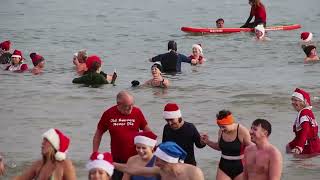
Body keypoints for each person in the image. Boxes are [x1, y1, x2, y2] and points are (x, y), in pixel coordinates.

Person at [93, 91, 152, 180]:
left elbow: (148, 133)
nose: (130, 108)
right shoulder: (108, 114)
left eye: (132, 104)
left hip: (136, 160)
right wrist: (95, 153)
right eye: (127, 106)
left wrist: (153, 152)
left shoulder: (137, 112)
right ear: (118, 104)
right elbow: (98, 134)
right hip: (117, 161)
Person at [200, 110, 252, 180]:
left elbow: (253, 149)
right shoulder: (221, 131)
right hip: (223, 167)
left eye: (223, 127)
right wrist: (208, 142)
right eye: (219, 126)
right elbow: (219, 147)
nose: (221, 129)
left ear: (230, 123)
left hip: (241, 168)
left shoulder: (242, 131)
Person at [114, 141, 205, 180]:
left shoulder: (194, 172)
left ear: (168, 161)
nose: (155, 164)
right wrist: (110, 162)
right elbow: (133, 170)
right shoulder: (161, 170)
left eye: (157, 160)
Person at [286, 88, 320, 155]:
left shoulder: (304, 113)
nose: (293, 102)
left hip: (309, 148)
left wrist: (299, 147)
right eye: (292, 100)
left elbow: (305, 131)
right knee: (288, 148)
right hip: (315, 144)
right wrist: (291, 144)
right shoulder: (308, 112)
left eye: (296, 100)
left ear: (303, 102)